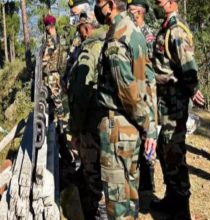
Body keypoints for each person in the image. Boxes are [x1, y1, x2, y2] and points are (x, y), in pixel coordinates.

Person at [94, 0, 157, 218]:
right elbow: (148, 82)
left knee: (118, 204)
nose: (96, 7)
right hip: (131, 128)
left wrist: (147, 124)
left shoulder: (116, 38)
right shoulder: (135, 32)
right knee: (130, 197)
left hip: (118, 127)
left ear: (110, 5)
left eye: (99, 3)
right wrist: (149, 124)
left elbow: (128, 92)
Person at [150, 0, 205, 219]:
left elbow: (187, 64)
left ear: (172, 2)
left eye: (161, 1)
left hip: (175, 103)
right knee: (166, 150)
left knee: (174, 151)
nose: (158, 3)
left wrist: (192, 89)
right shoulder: (165, 27)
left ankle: (182, 208)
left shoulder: (176, 30)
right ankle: (171, 199)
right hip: (165, 102)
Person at [67, 12, 106, 219]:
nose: (79, 33)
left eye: (80, 28)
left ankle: (98, 213)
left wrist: (76, 129)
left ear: (87, 28)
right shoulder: (109, 43)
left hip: (90, 124)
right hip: (104, 122)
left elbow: (81, 94)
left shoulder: (90, 51)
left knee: (93, 175)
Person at [127, 0, 157, 195]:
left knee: (149, 133)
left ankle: (148, 182)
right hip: (136, 88)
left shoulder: (146, 34)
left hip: (147, 88)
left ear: (140, 12)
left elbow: (151, 61)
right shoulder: (130, 32)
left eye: (132, 11)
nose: (129, 14)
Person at [42, 14, 67, 121]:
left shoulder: (50, 40)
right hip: (58, 73)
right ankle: (56, 125)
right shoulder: (60, 38)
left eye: (47, 28)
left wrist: (40, 69)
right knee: (55, 99)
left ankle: (60, 127)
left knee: (55, 100)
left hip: (51, 74)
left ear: (48, 27)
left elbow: (46, 58)